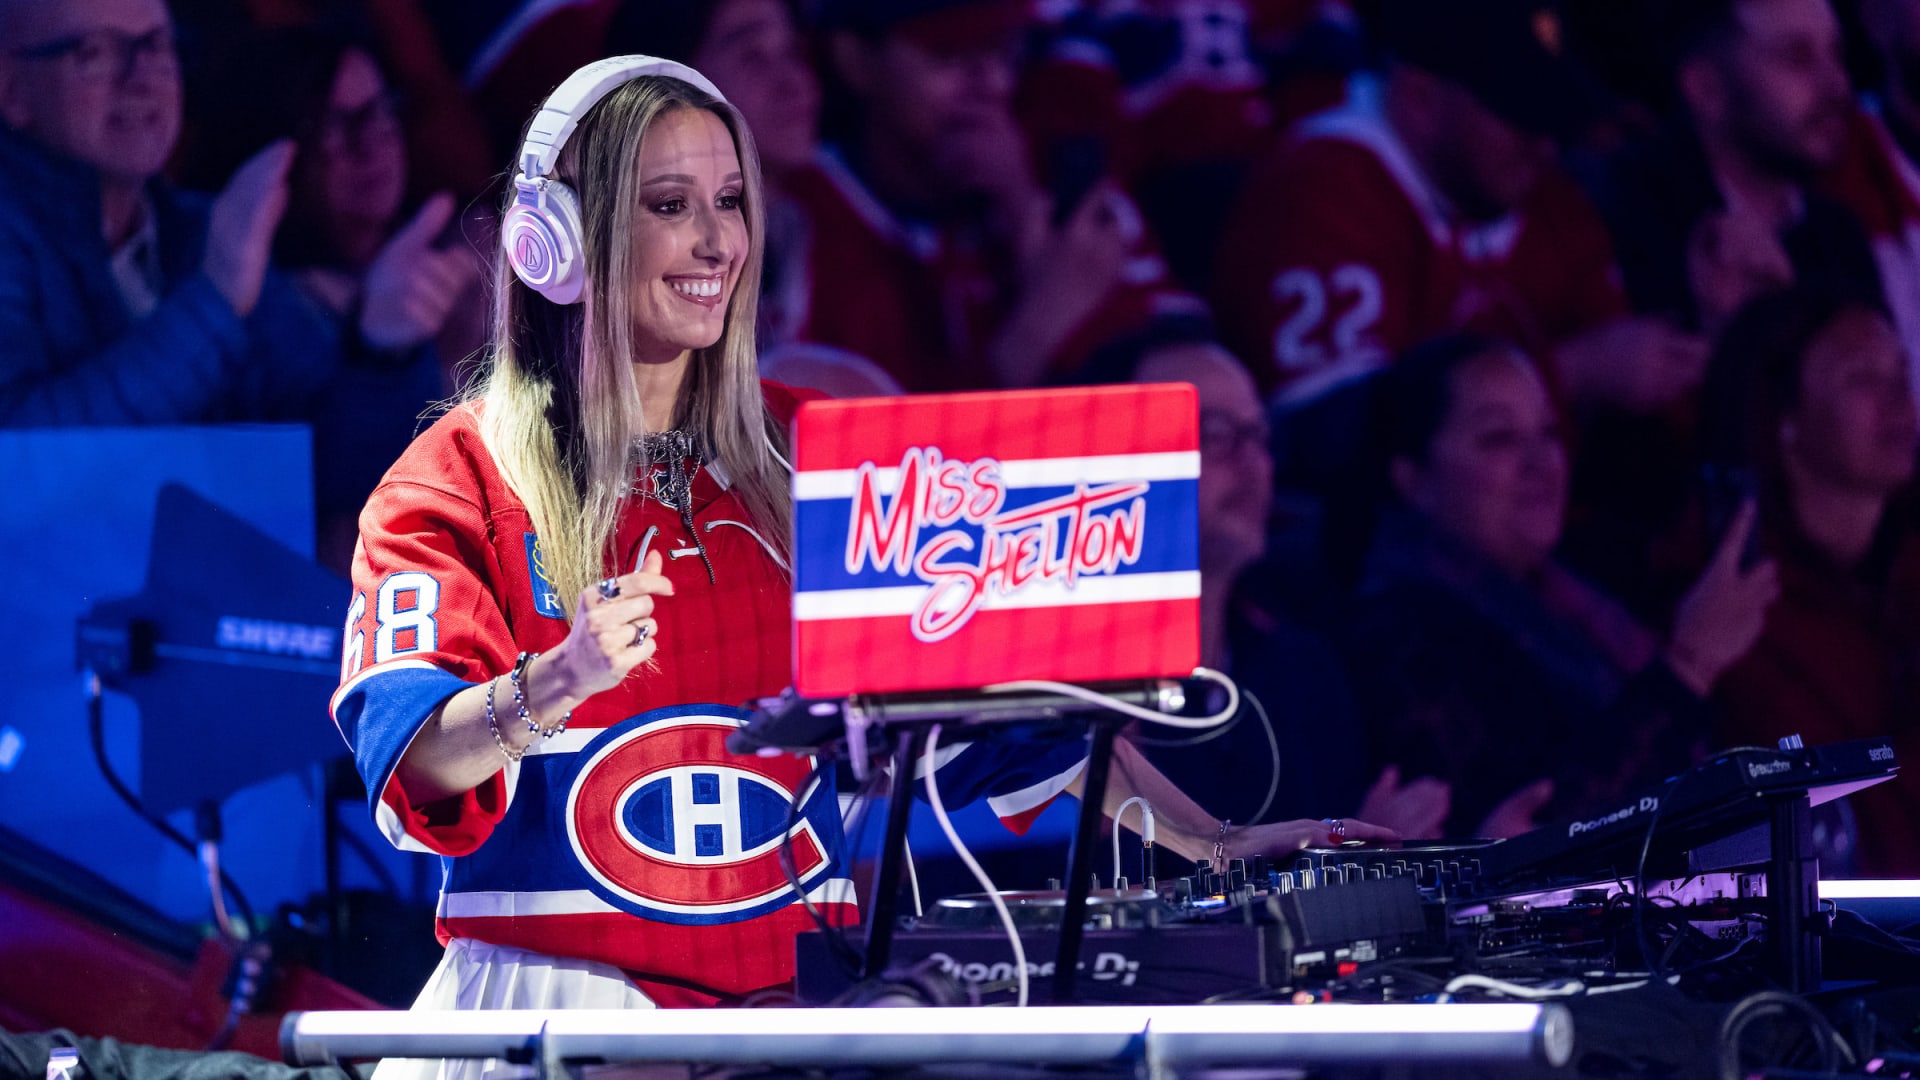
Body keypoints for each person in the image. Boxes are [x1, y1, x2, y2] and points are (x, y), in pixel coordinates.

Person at [333, 58, 1396, 1044]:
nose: (716, 243)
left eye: (730, 202)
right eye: (668, 205)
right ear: (554, 241)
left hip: (802, 1015)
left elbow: (1012, 729)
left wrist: (1213, 847)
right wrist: (555, 682)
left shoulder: (826, 461)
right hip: (554, 1019)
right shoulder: (456, 477)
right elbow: (410, 755)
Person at [1344, 335, 1780, 837]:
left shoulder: (1575, 596)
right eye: (1499, 438)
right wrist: (1689, 664)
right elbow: (1539, 829)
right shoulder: (1397, 635)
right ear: (1411, 477)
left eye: (1549, 432)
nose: (1540, 461)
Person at [1211, 0, 1704, 415]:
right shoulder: (1320, 189)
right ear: (1420, 98)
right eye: (1520, 115)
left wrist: (1719, 332)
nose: (1544, 145)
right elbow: (1328, 431)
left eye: (1553, 118)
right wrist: (1566, 376)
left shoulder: (1545, 197)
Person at [1080, 316, 1451, 837]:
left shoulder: (1303, 671)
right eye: (1214, 433)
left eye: (1258, 434)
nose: (1251, 460)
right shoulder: (1054, 698)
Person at [181, 24, 482, 572]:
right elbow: (311, 494)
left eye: (382, 109)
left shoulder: (452, 253)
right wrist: (388, 352)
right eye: (336, 124)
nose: (374, 141)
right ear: (270, 146)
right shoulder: (254, 304)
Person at [0, 0, 338, 425]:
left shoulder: (203, 229)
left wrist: (384, 351)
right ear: (11, 89)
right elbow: (17, 444)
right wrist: (214, 304)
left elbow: (325, 439)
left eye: (157, 46)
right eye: (94, 52)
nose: (142, 79)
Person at [1702, 287, 1920, 877]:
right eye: (1863, 379)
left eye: (1902, 374)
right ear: (1785, 417)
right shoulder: (1739, 603)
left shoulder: (1906, 572)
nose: (1902, 400)